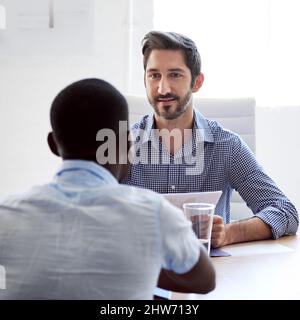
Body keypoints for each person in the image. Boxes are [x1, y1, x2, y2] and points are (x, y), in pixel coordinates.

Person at [0, 78, 215, 299]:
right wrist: (140, 264)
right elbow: (205, 280)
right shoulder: (154, 214)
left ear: (53, 144)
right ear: (127, 144)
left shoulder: (7, 214)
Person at [122, 31, 299, 248]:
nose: (163, 88)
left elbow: (285, 211)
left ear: (197, 82)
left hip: (212, 274)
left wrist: (230, 232)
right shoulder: (124, 145)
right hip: (140, 272)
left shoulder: (227, 146)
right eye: (154, 75)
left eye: (175, 75)